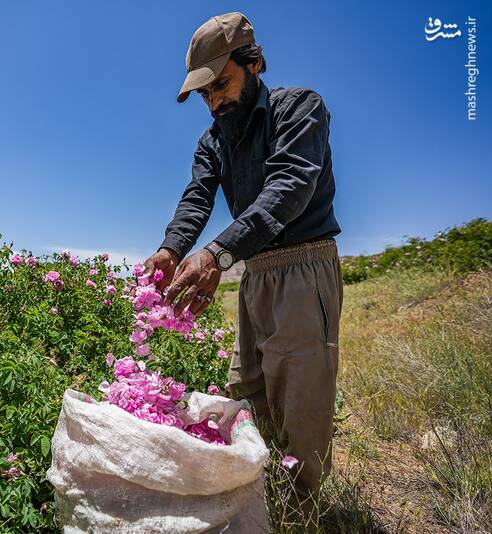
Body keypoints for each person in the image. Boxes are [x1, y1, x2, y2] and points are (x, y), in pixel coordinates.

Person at [142, 11, 344, 526]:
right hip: (253, 273)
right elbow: (196, 198)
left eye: (221, 85)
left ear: (255, 63)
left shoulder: (299, 108)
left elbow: (289, 189)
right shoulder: (214, 139)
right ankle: (258, 508)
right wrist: (172, 249)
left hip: (302, 268)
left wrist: (216, 255)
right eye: (204, 94)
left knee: (299, 407)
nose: (214, 102)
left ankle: (302, 518)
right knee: (245, 397)